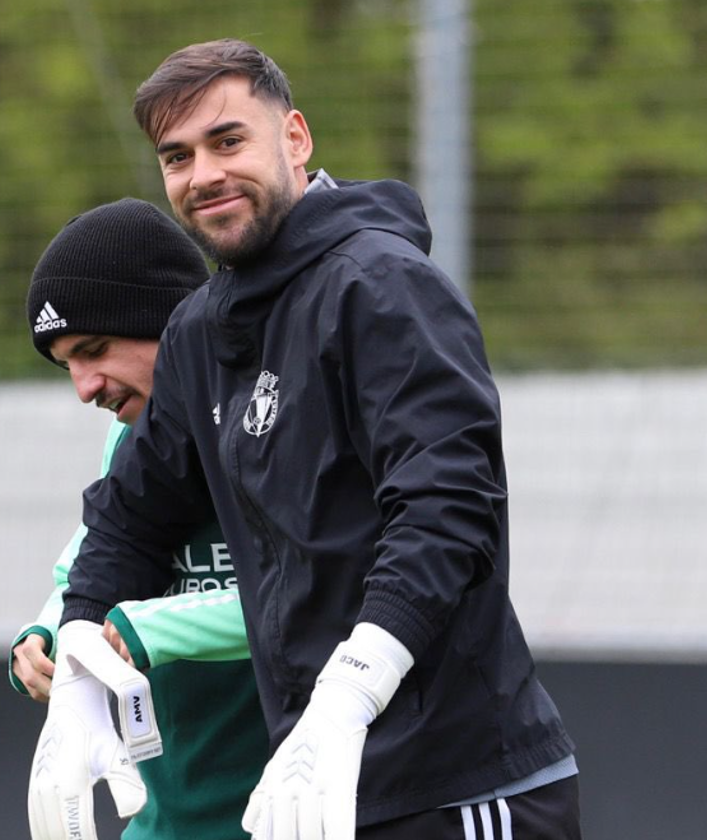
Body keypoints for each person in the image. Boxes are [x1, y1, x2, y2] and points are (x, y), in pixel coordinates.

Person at [41, 39, 582, 840]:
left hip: (457, 786)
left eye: (229, 141)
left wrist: (349, 696)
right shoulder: (199, 330)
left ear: (294, 139)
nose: (205, 174)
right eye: (178, 157)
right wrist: (79, 649)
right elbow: (131, 513)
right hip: (311, 793)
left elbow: (447, 511)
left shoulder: (383, 285)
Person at [11, 198, 269, 840]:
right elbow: (91, 566)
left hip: (287, 811)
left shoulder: (269, 424)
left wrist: (140, 626)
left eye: (94, 349)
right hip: (165, 819)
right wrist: (48, 633)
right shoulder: (129, 441)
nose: (84, 387)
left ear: (170, 320)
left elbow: (320, 598)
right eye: (66, 363)